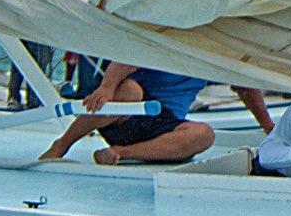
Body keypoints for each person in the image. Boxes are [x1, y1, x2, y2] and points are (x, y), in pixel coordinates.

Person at [39, 60, 216, 165]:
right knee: (130, 90)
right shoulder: (169, 31)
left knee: (204, 134)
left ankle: (120, 153)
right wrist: (107, 87)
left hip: (165, 125)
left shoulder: (209, 51)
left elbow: (241, 83)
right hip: (129, 113)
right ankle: (62, 144)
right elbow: (127, 57)